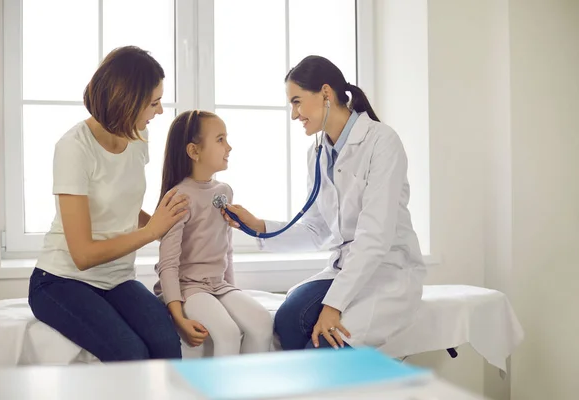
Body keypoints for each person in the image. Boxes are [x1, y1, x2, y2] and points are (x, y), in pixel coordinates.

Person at [223, 55, 427, 351]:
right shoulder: (318, 154)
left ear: (326, 94)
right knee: (289, 320)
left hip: (388, 270)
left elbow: (374, 238)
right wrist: (260, 228)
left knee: (323, 346)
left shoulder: (382, 142)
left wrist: (333, 306)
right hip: (346, 268)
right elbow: (317, 229)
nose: (294, 114)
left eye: (297, 101)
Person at [28, 46, 187, 362]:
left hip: (117, 279)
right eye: (154, 103)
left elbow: (123, 208)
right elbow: (83, 255)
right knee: (131, 353)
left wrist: (164, 221)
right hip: (61, 282)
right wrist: (152, 230)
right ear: (126, 102)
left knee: (167, 345)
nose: (159, 112)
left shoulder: (137, 136)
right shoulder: (74, 148)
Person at [153, 110, 274, 357]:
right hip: (190, 288)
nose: (228, 147)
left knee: (263, 323)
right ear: (194, 151)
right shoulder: (178, 198)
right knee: (227, 333)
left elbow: (226, 248)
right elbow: (168, 264)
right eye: (220, 140)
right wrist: (177, 314)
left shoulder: (225, 192)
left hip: (219, 285)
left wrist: (232, 292)